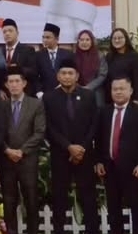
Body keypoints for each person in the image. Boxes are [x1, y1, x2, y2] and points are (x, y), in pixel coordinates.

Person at [42, 59, 99, 234]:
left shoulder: (89, 95)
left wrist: (81, 148)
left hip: (85, 154)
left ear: (77, 76)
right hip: (60, 154)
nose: (67, 76)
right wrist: (68, 147)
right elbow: (48, 127)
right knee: (59, 197)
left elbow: (94, 124)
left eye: (70, 73)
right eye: (63, 73)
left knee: (88, 197)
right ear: (58, 76)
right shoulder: (49, 97)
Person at [94, 76, 138, 234]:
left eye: (122, 89)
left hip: (133, 169)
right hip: (110, 168)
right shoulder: (104, 111)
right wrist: (99, 161)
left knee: (136, 209)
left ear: (130, 91)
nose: (118, 92)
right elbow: (99, 139)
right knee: (113, 210)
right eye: (115, 89)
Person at [0, 66, 45, 234]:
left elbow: (39, 132)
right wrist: (7, 150)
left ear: (24, 83)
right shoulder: (1, 106)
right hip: (7, 160)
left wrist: (22, 151)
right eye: (10, 82)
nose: (14, 85)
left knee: (31, 200)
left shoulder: (35, 104)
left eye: (17, 81)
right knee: (9, 201)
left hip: (28, 160)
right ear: (6, 85)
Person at [103, 28, 138, 106]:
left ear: (126, 39)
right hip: (112, 98)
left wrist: (137, 98)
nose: (117, 40)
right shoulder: (109, 57)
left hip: (130, 97)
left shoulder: (135, 56)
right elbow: (107, 79)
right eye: (114, 38)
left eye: (120, 38)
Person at [33, 23, 76, 96]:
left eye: (48, 37)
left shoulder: (68, 55)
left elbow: (72, 73)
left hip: (64, 92)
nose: (45, 40)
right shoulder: (38, 55)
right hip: (44, 94)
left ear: (57, 39)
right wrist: (39, 92)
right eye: (43, 37)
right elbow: (35, 76)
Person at [74, 30, 107, 102]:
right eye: (82, 40)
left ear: (92, 41)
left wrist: (88, 87)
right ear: (78, 41)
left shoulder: (99, 56)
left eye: (87, 40)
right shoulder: (73, 56)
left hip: (96, 92)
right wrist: (78, 87)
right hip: (77, 91)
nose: (84, 42)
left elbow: (102, 75)